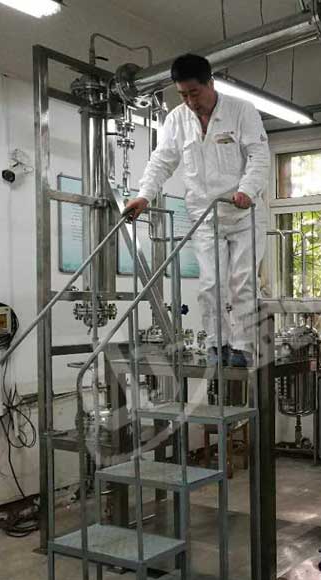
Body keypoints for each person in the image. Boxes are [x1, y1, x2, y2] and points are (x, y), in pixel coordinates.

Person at [125, 54, 270, 367]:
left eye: (195, 93)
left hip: (244, 213)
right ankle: (218, 344)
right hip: (205, 216)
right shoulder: (177, 119)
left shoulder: (241, 111)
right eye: (183, 95)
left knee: (242, 282)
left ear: (210, 84)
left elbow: (259, 156)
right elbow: (162, 161)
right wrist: (144, 196)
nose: (190, 102)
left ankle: (243, 346)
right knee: (210, 284)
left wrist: (247, 190)